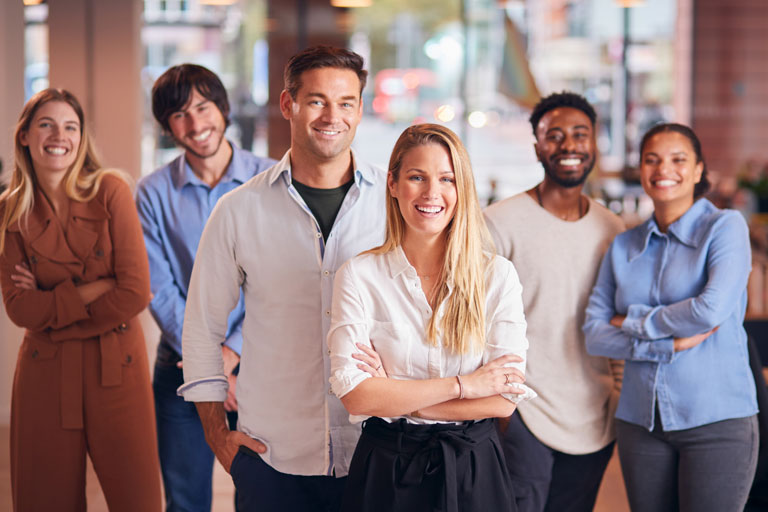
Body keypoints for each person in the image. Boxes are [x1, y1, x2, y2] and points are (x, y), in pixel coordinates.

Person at [177, 46, 387, 511]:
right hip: (271, 460)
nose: (332, 116)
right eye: (316, 101)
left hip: (378, 455)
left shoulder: (393, 206)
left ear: (359, 108)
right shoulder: (238, 210)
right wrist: (217, 435)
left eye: (346, 102)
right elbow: (201, 330)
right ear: (288, 104)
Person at [327, 123, 536, 512]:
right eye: (416, 177)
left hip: (474, 466)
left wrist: (398, 397)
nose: (431, 193)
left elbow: (504, 399)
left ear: (462, 189)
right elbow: (356, 395)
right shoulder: (359, 276)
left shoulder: (496, 276)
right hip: (386, 469)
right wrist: (465, 385)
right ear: (392, 184)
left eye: (446, 178)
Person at [583, 123, 759, 512]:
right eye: (652, 160)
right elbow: (594, 334)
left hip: (716, 420)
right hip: (640, 423)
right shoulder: (623, 245)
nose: (664, 169)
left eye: (678, 159)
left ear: (698, 170)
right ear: (641, 170)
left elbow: (710, 309)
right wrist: (671, 343)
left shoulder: (725, 228)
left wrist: (631, 321)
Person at [0, 88, 161, 511]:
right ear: (25, 136)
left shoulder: (111, 191)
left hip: (117, 368)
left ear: (81, 137)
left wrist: (52, 302)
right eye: (47, 125)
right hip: (46, 374)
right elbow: (19, 309)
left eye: (70, 126)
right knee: (42, 500)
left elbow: (134, 292)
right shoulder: (11, 211)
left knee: (138, 499)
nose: (60, 136)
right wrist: (93, 289)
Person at [135, 63, 275, 512]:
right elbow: (160, 290)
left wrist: (234, 353)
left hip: (265, 364)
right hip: (180, 367)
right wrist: (208, 365)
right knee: (185, 501)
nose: (195, 124)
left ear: (223, 107)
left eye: (202, 106)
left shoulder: (272, 180)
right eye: (179, 114)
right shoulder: (152, 193)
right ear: (166, 126)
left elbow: (282, 279)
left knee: (262, 495)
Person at [484, 91, 624, 512]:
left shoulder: (612, 228)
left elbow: (619, 318)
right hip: (523, 411)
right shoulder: (498, 222)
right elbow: (475, 321)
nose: (568, 146)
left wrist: (616, 394)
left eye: (580, 134)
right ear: (537, 148)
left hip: (594, 414)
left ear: (595, 143)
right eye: (554, 135)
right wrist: (502, 410)